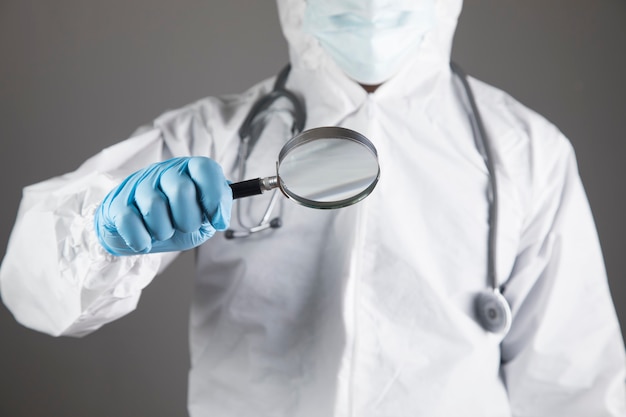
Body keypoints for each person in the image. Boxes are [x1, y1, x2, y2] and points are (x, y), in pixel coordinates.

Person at [1, 0, 625, 416]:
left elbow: (577, 388)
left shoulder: (526, 152)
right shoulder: (217, 137)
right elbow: (33, 285)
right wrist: (102, 230)